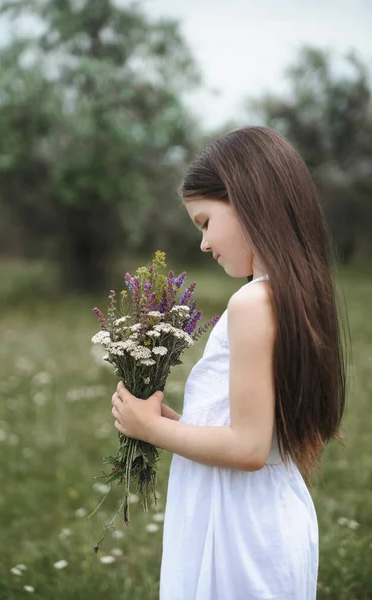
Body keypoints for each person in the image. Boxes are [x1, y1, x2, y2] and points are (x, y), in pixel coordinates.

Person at [111, 126, 348, 600]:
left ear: (247, 200)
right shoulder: (288, 295)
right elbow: (251, 427)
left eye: (204, 221)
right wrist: (185, 424)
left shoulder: (252, 304)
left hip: (239, 532)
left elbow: (248, 449)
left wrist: (149, 429)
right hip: (258, 517)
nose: (202, 243)